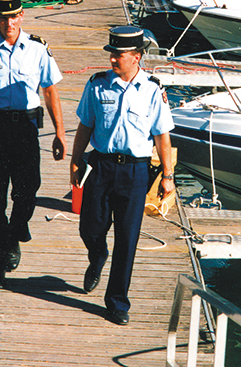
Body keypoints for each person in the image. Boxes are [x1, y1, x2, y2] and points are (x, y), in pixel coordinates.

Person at [0, 0, 67, 289]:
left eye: (14, 16)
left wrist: (59, 132)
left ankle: (15, 230)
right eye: (3, 17)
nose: (9, 23)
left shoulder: (37, 49)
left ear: (22, 15)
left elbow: (50, 91)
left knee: (27, 191)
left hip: (25, 130)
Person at [70, 26, 174, 325]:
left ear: (137, 57)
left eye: (119, 55)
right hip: (100, 166)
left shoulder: (153, 90)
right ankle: (97, 255)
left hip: (135, 170)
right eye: (112, 54)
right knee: (90, 228)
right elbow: (85, 126)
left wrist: (168, 176)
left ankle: (117, 302)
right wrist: (75, 161)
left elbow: (162, 137)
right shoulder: (98, 84)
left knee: (127, 239)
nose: (113, 59)